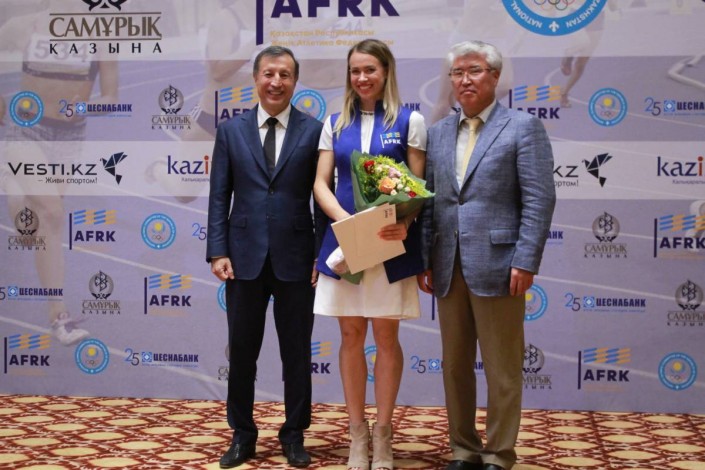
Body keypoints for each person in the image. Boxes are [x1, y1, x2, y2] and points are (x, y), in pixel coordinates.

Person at [417, 40, 556, 470]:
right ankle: (463, 449)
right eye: (457, 73)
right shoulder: (439, 133)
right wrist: (424, 258)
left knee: (502, 368)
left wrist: (526, 259)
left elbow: (539, 199)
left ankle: (498, 453)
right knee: (455, 367)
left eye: (474, 70)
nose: (464, 80)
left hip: (501, 264)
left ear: (494, 76)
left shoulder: (523, 127)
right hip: (447, 265)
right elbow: (430, 201)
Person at [206, 45, 323, 469]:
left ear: (295, 81)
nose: (276, 82)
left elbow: (322, 197)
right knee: (241, 353)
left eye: (285, 75)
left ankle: (294, 435)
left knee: (297, 354)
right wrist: (217, 250)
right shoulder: (231, 131)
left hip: (298, 259)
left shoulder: (315, 130)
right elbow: (219, 194)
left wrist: (321, 256)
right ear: (255, 78)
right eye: (269, 74)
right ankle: (242, 435)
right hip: (242, 258)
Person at [313, 38, 427, 470]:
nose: (362, 78)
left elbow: (417, 188)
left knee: (386, 338)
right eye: (355, 70)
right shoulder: (334, 123)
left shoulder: (410, 121)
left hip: (389, 245)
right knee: (349, 338)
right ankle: (357, 436)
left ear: (386, 72)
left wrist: (405, 223)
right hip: (345, 244)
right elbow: (321, 182)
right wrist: (348, 223)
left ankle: (383, 435)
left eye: (370, 70)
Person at [0, 0, 119, 345]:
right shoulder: (24, 26)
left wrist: (80, 106)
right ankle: (59, 315)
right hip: (26, 127)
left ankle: (15, 189)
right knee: (52, 211)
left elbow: (111, 97)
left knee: (36, 227)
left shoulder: (102, 36)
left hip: (68, 138)